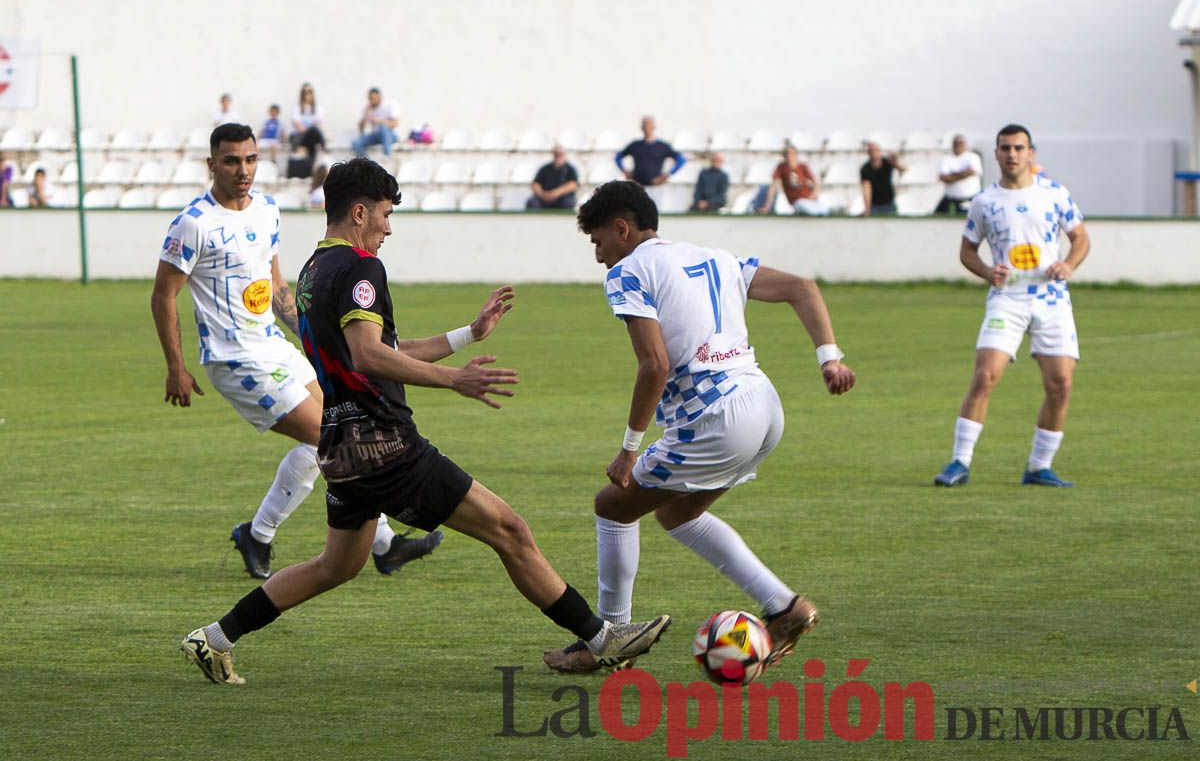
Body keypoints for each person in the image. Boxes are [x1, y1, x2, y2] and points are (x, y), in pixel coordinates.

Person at [180, 159, 670, 685]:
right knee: (509, 530)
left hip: (339, 448)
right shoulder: (361, 268)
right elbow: (370, 355)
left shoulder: (313, 273)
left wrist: (467, 335)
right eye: (386, 215)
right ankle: (604, 639)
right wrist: (455, 379)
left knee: (335, 566)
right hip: (384, 445)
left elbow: (381, 347)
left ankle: (214, 637)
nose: (389, 228)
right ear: (360, 212)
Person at [544, 180, 856, 673]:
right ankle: (784, 607)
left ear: (621, 229)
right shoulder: (715, 256)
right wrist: (829, 359)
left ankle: (611, 635)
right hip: (765, 406)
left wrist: (629, 449)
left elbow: (654, 365)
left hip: (717, 418)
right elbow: (803, 287)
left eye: (598, 241)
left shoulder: (629, 271)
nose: (600, 256)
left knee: (613, 507)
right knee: (677, 515)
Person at [151, 123, 440, 582]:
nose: (242, 170)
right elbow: (164, 294)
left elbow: (276, 282)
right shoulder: (193, 224)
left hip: (273, 343)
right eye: (230, 160)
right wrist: (176, 367)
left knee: (340, 424)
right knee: (330, 437)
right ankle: (378, 543)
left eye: (249, 159)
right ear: (212, 164)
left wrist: (311, 336)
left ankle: (262, 537)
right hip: (235, 359)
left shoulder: (267, 208)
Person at [933, 124, 1091, 488]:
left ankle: (1038, 467)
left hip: (1052, 299)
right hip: (1007, 299)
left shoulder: (1054, 194)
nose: (1012, 154)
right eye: (1005, 148)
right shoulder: (985, 202)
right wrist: (990, 272)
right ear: (996, 154)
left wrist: (1069, 264)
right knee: (985, 376)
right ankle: (959, 462)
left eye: (1019, 148)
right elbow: (967, 251)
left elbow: (1080, 238)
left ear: (1030, 152)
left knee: (1061, 384)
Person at [757, 145, 829, 216]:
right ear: (784, 156)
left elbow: (816, 183)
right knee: (806, 208)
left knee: (823, 211)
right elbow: (773, 186)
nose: (790, 156)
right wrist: (767, 207)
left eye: (792, 153)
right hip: (797, 201)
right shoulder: (781, 167)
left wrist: (813, 195)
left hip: (809, 200)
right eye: (787, 154)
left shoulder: (803, 166)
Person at [615, 116, 685, 187]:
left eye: (649, 124)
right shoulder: (635, 145)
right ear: (642, 127)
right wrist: (624, 171)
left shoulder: (662, 146)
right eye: (644, 125)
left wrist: (668, 175)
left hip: (655, 187)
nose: (647, 127)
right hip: (638, 187)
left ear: (654, 126)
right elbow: (618, 156)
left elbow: (681, 159)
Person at [934, 134, 983, 214]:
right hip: (950, 199)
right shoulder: (946, 158)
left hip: (970, 198)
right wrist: (963, 174)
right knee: (937, 216)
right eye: (956, 143)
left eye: (960, 143)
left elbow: (972, 172)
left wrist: (952, 175)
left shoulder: (973, 157)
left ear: (965, 144)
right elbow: (943, 177)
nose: (958, 145)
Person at [526, 144, 579, 210]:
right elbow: (535, 184)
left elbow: (573, 185)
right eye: (556, 153)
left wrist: (555, 194)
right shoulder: (544, 168)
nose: (558, 155)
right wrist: (543, 195)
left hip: (561, 198)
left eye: (560, 153)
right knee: (532, 202)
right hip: (544, 198)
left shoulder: (570, 169)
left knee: (568, 202)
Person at [859, 142, 906, 216]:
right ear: (868, 153)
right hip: (874, 205)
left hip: (889, 203)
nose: (874, 153)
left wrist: (895, 162)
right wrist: (867, 209)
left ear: (879, 152)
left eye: (876, 150)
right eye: (871, 151)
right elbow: (867, 189)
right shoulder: (865, 169)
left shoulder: (887, 162)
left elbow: (903, 169)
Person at [351, 87, 400, 158]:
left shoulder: (390, 104)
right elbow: (361, 130)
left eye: (373, 99)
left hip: (391, 135)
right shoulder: (368, 108)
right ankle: (366, 163)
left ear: (379, 97)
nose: (372, 101)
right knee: (356, 143)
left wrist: (378, 121)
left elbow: (395, 123)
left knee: (383, 128)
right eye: (370, 99)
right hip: (376, 136)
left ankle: (387, 157)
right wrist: (365, 117)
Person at [289, 83, 326, 163]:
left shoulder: (318, 107)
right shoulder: (298, 108)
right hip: (300, 136)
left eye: (310, 91)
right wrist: (308, 129)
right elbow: (297, 124)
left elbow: (318, 122)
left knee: (313, 133)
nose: (308, 94)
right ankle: (323, 147)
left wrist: (308, 129)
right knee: (312, 134)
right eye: (305, 92)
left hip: (311, 135)